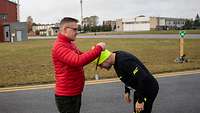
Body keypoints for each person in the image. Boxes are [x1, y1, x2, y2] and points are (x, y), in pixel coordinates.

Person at [52, 17, 106, 113]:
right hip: (66, 96)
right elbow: (78, 61)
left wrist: (97, 57)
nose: (77, 32)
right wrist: (98, 48)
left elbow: (81, 55)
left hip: (74, 92)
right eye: (75, 29)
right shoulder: (59, 46)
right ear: (65, 29)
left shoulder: (69, 43)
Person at [94, 50, 159, 113]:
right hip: (140, 90)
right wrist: (127, 91)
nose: (101, 67)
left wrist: (140, 101)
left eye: (100, 65)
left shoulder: (124, 61)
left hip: (148, 89)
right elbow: (128, 76)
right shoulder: (116, 58)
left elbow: (143, 78)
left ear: (106, 59)